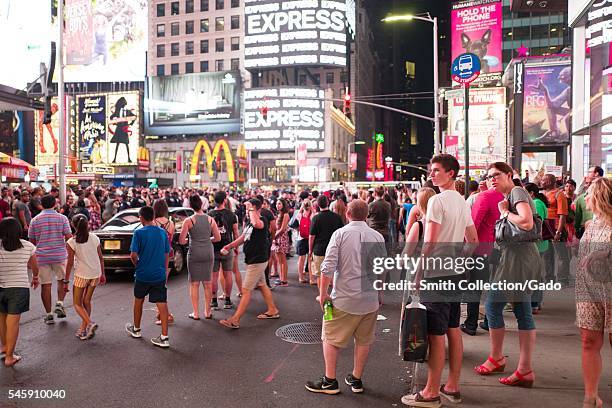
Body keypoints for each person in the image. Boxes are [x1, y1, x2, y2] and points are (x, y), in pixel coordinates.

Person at [402, 154, 479, 407]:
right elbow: (474, 241)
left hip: (436, 275)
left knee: (436, 333)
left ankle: (431, 392)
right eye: (431, 171)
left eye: (436, 171)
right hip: (455, 274)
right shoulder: (462, 201)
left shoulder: (436, 201)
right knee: (453, 329)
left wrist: (418, 272)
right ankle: (452, 386)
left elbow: (430, 243)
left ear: (451, 174)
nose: (431, 175)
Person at [305, 199, 386, 395]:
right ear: (366, 215)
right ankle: (356, 379)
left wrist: (323, 295)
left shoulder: (340, 234)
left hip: (343, 299)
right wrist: (379, 293)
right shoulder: (377, 237)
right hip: (369, 300)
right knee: (364, 340)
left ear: (347, 214)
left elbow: (327, 268)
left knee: (330, 338)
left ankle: (329, 381)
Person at [474, 162, 542, 389]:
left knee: (493, 306)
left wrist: (504, 212)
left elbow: (526, 221)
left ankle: (498, 358)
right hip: (518, 258)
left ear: (509, 175)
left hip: (518, 260)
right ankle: (523, 369)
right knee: (522, 311)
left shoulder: (516, 192)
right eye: (489, 176)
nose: (492, 179)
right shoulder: (511, 194)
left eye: (496, 175)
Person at [575, 177, 611, 408]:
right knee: (589, 342)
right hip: (588, 290)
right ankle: (590, 397)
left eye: (588, 193)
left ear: (599, 196)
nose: (584, 197)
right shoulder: (592, 224)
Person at [219, 199, 280, 329]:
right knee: (262, 284)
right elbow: (243, 237)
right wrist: (229, 246)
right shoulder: (249, 221)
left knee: (246, 290)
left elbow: (257, 223)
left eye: (249, 208)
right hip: (253, 259)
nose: (246, 211)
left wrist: (251, 210)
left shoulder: (261, 219)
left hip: (258, 260)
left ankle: (235, 319)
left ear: (255, 208)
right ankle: (272, 310)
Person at [460, 177, 504, 336]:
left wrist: (465, 251)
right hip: (498, 248)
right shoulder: (505, 196)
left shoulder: (484, 197)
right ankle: (489, 320)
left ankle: (471, 323)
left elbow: (473, 224)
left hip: (480, 249)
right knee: (495, 285)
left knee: (475, 287)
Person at [125, 206, 171, 348]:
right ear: (153, 216)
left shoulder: (138, 233)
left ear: (141, 217)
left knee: (139, 300)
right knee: (161, 303)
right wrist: (164, 270)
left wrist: (137, 264)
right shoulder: (163, 233)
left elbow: (133, 255)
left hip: (142, 274)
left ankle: (137, 329)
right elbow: (167, 254)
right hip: (159, 274)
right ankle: (164, 337)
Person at [0, 218, 39, 367]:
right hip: (18, 288)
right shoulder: (28, 246)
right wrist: (35, 278)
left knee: (2, 319)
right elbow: (34, 266)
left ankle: (4, 347)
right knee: (13, 323)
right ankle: (9, 356)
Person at [28, 194, 72, 325]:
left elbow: (32, 241)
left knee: (45, 285)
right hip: (59, 255)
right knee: (62, 280)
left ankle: (49, 315)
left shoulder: (35, 220)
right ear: (55, 204)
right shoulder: (62, 218)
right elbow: (69, 237)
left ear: (42, 204)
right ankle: (59, 303)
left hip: (41, 257)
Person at [65, 215, 106, 340]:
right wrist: (103, 274)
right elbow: (101, 258)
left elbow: (70, 263)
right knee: (86, 301)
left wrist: (66, 280)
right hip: (95, 274)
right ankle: (83, 329)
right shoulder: (95, 238)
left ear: (73, 225)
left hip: (82, 275)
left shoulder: (71, 242)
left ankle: (89, 323)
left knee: (77, 304)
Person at [179, 195, 220, 320]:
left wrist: (191, 240)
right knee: (208, 283)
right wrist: (207, 239)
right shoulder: (210, 219)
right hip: (208, 251)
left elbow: (181, 241)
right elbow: (217, 238)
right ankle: (207, 312)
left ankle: (196, 313)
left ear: (191, 206)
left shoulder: (188, 221)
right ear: (202, 204)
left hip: (194, 252)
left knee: (194, 284)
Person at [209, 191, 239, 309]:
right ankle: (227, 300)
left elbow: (208, 232)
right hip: (228, 247)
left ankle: (214, 301)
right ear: (225, 200)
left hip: (214, 248)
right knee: (228, 275)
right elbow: (236, 232)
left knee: (214, 276)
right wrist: (236, 247)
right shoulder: (232, 215)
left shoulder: (210, 214)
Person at [524, 183, 550, 314]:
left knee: (534, 275)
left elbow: (535, 225)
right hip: (539, 245)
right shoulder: (537, 202)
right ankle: (536, 302)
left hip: (537, 245)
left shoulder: (536, 204)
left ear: (531, 193)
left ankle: (534, 303)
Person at [309, 195, 344, 288]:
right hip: (334, 248)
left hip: (319, 249)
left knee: (320, 274)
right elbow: (341, 234)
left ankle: (322, 296)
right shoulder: (336, 217)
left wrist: (310, 250)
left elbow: (312, 236)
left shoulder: (316, 218)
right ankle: (333, 295)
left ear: (317, 204)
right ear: (328, 203)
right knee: (333, 273)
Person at [542, 173, 570, 286]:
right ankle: (549, 279)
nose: (541, 182)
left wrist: (558, 231)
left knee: (561, 256)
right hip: (546, 228)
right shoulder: (542, 193)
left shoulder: (559, 194)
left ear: (549, 181)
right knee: (547, 255)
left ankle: (563, 280)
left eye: (543, 180)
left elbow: (563, 215)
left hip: (557, 227)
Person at [153, 199, 176, 325]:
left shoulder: (153, 223)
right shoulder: (171, 224)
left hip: (157, 256)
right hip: (169, 255)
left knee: (158, 287)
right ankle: (162, 313)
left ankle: (166, 315)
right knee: (161, 285)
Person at [271, 198, 291, 286]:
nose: (277, 205)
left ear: (283, 205)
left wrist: (274, 236)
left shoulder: (285, 215)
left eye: (279, 204)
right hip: (277, 238)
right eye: (276, 204)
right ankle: (282, 278)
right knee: (280, 260)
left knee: (282, 260)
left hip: (281, 238)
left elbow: (282, 229)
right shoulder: (279, 214)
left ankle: (284, 280)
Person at [367, 186, 391, 252]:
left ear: (374, 193)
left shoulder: (371, 205)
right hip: (385, 231)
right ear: (383, 193)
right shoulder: (388, 205)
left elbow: (367, 216)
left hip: (373, 231)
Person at [295, 199, 314, 284]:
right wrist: (312, 209)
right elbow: (315, 215)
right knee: (310, 260)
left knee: (301, 259)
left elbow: (296, 217)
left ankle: (301, 277)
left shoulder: (299, 215)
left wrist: (301, 208)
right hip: (310, 239)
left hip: (301, 239)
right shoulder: (312, 215)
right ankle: (311, 279)